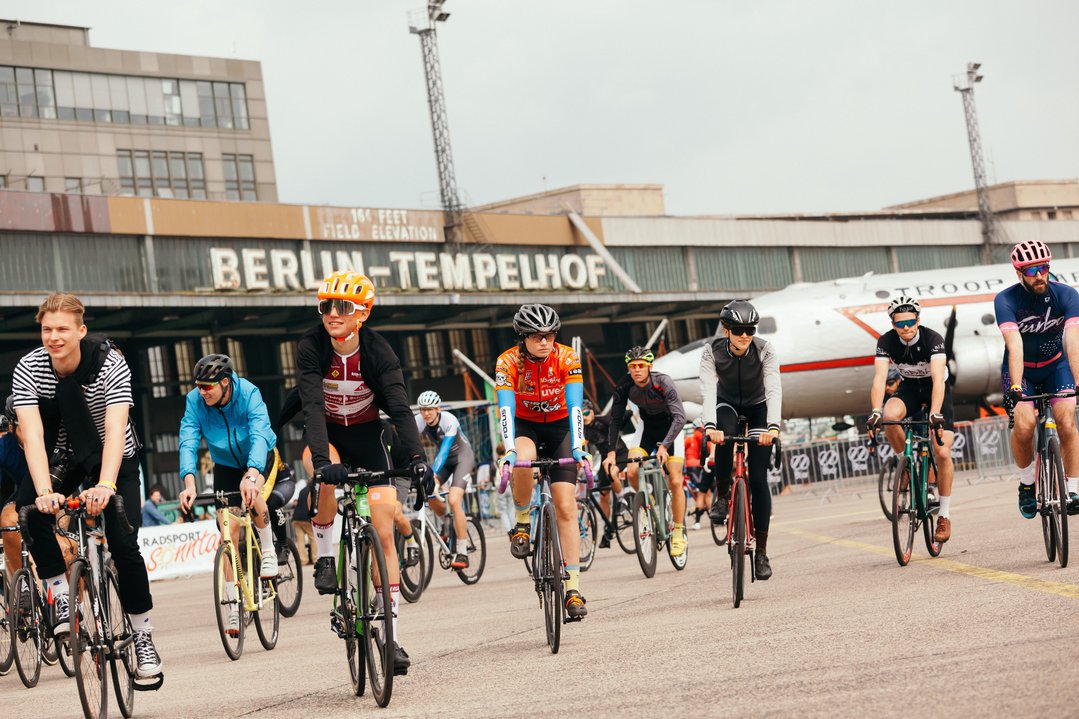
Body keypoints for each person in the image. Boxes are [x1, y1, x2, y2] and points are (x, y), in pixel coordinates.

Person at [12, 293, 161, 678]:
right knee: (27, 510)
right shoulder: (29, 368)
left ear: (81, 330)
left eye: (62, 329)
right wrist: (45, 492)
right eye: (47, 329)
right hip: (65, 455)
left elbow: (115, 428)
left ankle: (142, 635)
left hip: (114, 454)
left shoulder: (109, 362)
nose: (54, 337)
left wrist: (107, 484)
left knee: (124, 543)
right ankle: (62, 594)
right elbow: (33, 435)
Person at [292, 270, 426, 675]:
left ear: (362, 313)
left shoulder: (379, 351)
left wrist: (417, 458)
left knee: (383, 530)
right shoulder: (312, 345)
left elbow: (399, 408)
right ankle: (326, 558)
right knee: (323, 477)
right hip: (328, 435)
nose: (332, 314)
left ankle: (391, 636)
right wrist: (322, 462)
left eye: (342, 307)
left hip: (369, 435)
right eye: (325, 306)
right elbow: (313, 407)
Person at [495, 304, 590, 619]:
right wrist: (509, 449)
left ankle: (572, 589)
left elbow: (575, 405)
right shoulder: (508, 361)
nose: (545, 342)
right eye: (537, 336)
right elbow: (505, 408)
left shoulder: (567, 357)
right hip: (525, 426)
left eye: (550, 335)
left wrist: (578, 446)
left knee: (566, 506)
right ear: (523, 338)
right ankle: (523, 522)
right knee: (524, 458)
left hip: (561, 426)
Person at [994, 240, 1079, 516]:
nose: (1039, 275)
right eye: (1031, 271)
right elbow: (1014, 345)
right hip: (1022, 371)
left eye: (1043, 268)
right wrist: (1016, 386)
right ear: (1019, 273)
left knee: (1067, 422)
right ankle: (1027, 483)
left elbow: (1074, 341)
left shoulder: (1066, 295)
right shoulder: (1006, 300)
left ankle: (1073, 489)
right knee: (1024, 425)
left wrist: (1078, 380)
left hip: (1056, 367)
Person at [699, 299, 782, 581]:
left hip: (759, 408)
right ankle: (723, 496)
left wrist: (773, 428)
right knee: (723, 436)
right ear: (726, 331)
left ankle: (762, 552)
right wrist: (710, 426)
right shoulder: (711, 351)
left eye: (750, 330)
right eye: (738, 330)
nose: (745, 335)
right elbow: (708, 391)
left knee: (758, 479)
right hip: (727, 404)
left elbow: (773, 389)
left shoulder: (765, 350)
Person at [866, 296, 956, 543]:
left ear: (918, 321)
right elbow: (879, 378)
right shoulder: (886, 341)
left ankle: (944, 515)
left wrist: (935, 413)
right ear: (893, 325)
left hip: (936, 389)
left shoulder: (932, 339)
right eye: (900, 324)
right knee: (889, 415)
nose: (906, 328)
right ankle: (904, 464)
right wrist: (875, 411)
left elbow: (938, 379)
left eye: (910, 322)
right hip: (911, 388)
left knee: (942, 452)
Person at [603, 346, 689, 557]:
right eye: (632, 366)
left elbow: (680, 417)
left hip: (671, 428)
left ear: (649, 366)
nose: (637, 370)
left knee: (675, 480)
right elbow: (615, 420)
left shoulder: (663, 382)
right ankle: (648, 503)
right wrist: (611, 453)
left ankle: (678, 532)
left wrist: (664, 446)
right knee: (632, 472)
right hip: (647, 428)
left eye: (641, 365)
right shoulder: (625, 385)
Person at [415, 391, 475, 568]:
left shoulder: (449, 420)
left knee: (454, 500)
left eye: (430, 409)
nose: (426, 413)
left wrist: (433, 473)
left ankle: (462, 552)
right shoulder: (419, 421)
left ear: (438, 409)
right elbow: (408, 443)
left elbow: (444, 450)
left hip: (462, 458)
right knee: (427, 492)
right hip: (446, 462)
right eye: (423, 409)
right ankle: (447, 521)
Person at [581, 398, 628, 547]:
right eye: (581, 415)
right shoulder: (583, 430)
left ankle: (622, 500)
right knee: (603, 494)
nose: (584, 417)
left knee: (612, 473)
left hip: (620, 454)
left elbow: (626, 414)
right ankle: (608, 527)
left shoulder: (603, 420)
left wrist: (622, 417)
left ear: (592, 412)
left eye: (586, 413)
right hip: (604, 458)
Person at [1, 396, 30, 578]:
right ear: (11, 427)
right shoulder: (6, 446)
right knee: (7, 521)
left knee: (67, 548)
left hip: (60, 490)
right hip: (25, 493)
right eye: (23, 426)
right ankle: (23, 583)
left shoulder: (56, 437)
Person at [292, 482, 314, 564]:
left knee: (300, 540)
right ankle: (315, 558)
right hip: (306, 518)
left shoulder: (302, 490)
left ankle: (303, 560)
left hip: (296, 518)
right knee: (313, 537)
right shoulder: (313, 490)